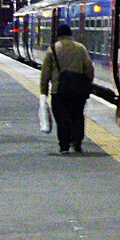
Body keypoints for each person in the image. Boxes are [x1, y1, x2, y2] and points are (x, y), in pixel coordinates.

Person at [40, 23, 95, 154]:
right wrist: (86, 82)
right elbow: (89, 69)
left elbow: (45, 73)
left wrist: (43, 91)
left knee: (62, 118)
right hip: (78, 90)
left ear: (58, 35)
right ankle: (77, 141)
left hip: (59, 90)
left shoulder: (53, 49)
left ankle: (64, 145)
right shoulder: (81, 48)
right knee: (77, 115)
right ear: (70, 34)